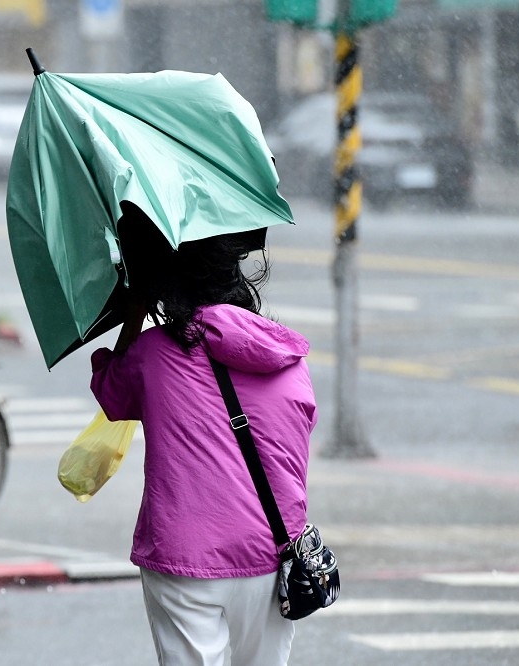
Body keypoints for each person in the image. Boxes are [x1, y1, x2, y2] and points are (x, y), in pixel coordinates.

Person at [89, 210, 317, 666]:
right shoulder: (289, 357)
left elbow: (112, 396)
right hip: (272, 552)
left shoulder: (152, 356)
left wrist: (133, 314)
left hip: (184, 552)